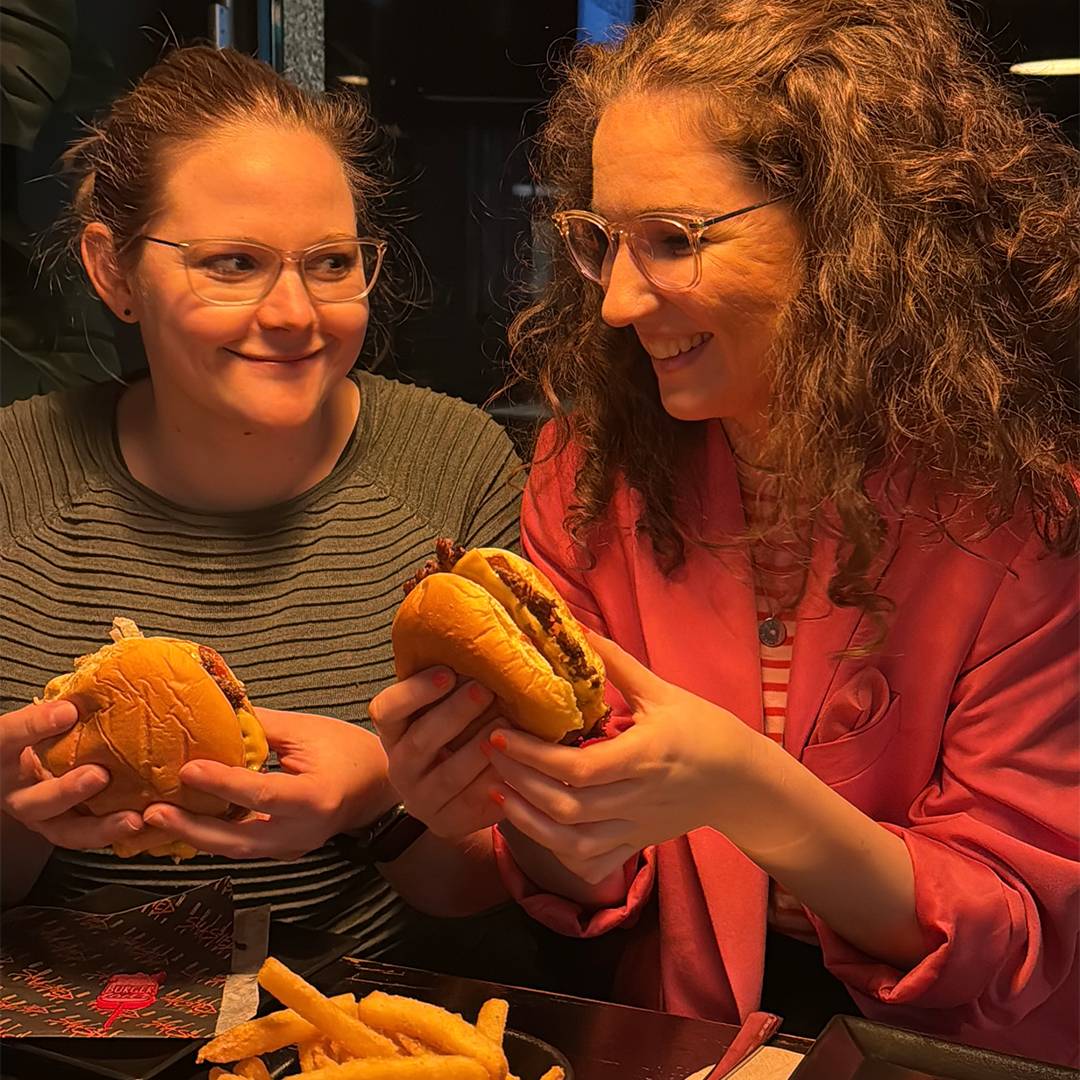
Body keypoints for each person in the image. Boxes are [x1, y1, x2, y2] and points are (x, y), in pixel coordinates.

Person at [369, 0, 1080, 1064]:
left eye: (672, 240)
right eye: (600, 242)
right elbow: (592, 891)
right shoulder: (589, 471)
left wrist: (747, 789)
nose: (613, 301)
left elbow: (1011, 934)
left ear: (855, 241)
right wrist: (511, 804)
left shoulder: (1024, 513)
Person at [0, 45, 535, 980]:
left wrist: (383, 796)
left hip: (360, 1028)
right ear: (112, 271)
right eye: (234, 263)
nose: (294, 312)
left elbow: (495, 890)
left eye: (331, 261)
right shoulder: (16, 478)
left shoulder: (453, 468)